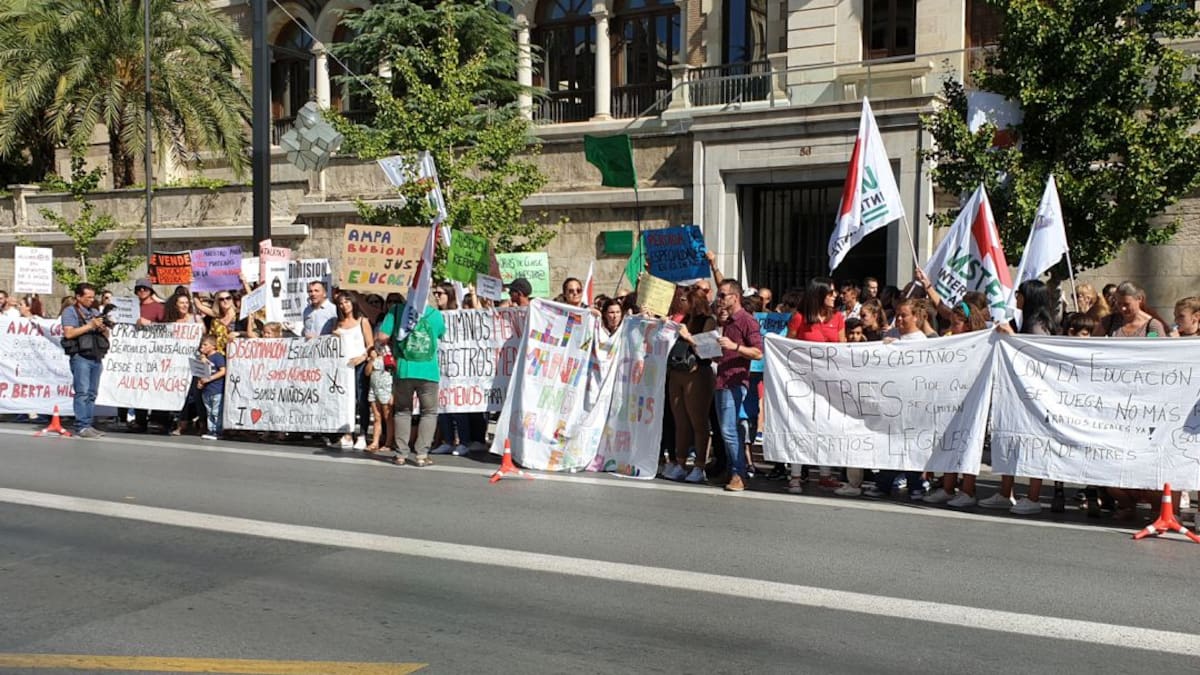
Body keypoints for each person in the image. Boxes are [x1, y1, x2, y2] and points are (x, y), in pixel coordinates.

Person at [985, 279, 1061, 514]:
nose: (1016, 296)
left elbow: (1037, 354)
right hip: (1017, 392)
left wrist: (1012, 337)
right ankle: (1006, 491)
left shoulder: (1038, 324)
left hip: (1034, 394)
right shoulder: (1026, 321)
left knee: (1032, 443)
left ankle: (1033, 496)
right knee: (1011, 439)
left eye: (1020, 293)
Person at [786, 276, 846, 494]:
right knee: (800, 427)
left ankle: (825, 474)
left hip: (828, 383)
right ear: (818, 294)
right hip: (803, 382)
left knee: (826, 427)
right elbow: (786, 347)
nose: (835, 296)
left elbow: (843, 347)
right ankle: (795, 475)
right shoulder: (799, 319)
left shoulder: (838, 317)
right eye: (830, 293)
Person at [379, 289, 446, 467]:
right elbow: (440, 334)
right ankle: (422, 455)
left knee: (402, 411)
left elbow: (382, 336)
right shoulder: (435, 314)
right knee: (429, 412)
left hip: (405, 369)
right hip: (428, 371)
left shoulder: (397, 311)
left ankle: (401, 454)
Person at [663, 288, 717, 484]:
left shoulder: (708, 320)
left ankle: (700, 465)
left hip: (698, 374)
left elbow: (710, 351)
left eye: (685, 299)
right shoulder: (682, 319)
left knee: (698, 421)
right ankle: (680, 462)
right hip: (677, 372)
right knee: (680, 420)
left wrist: (688, 336)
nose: (681, 301)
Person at [713, 279, 763, 492]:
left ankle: (738, 473)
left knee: (728, 429)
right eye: (719, 295)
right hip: (722, 378)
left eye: (723, 295)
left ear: (735, 297)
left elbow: (758, 352)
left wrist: (735, 346)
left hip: (735, 380)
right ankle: (733, 468)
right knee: (728, 429)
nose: (720, 299)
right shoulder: (726, 321)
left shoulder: (747, 321)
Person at [60, 282, 109, 438]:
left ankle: (88, 423)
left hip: (95, 355)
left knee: (92, 393)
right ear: (78, 297)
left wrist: (103, 328)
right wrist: (90, 326)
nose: (91, 300)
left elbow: (106, 335)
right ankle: (81, 426)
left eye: (93, 297)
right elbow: (69, 333)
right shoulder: (70, 312)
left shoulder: (94, 311)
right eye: (88, 297)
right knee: (82, 392)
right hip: (80, 356)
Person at [330, 291, 374, 450]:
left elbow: (370, 344)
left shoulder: (362, 321)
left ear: (353, 303)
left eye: (347, 302)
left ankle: (362, 434)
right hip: (343, 366)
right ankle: (347, 433)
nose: (344, 305)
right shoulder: (337, 323)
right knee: (344, 400)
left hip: (359, 364)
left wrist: (362, 358)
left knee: (361, 400)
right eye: (341, 303)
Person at [432, 283, 470, 456]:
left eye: (440, 293)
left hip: (458, 367)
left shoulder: (459, 314)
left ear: (449, 294)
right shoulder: (435, 315)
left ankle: (463, 441)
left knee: (457, 406)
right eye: (435, 293)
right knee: (442, 405)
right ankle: (447, 440)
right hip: (440, 365)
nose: (437, 296)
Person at [365, 335, 395, 454]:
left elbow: (394, 375)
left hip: (386, 389)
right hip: (374, 389)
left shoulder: (390, 359)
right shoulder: (375, 359)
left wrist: (393, 393)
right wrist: (372, 359)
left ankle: (388, 442)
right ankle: (375, 442)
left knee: (388, 417)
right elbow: (367, 373)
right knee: (377, 417)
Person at [195, 335, 226, 441]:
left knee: (216, 411)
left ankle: (218, 431)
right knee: (209, 411)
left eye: (205, 345)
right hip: (207, 390)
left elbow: (223, 370)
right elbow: (201, 372)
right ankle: (211, 430)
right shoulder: (203, 358)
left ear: (213, 346)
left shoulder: (217, 357)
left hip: (216, 389)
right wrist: (201, 382)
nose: (202, 347)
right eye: (201, 345)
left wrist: (210, 378)